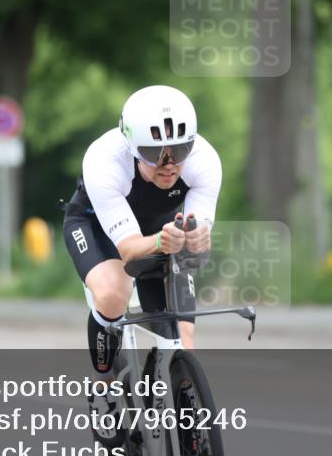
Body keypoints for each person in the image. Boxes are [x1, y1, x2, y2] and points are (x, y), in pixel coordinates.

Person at [61, 85, 221, 436]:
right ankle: (102, 387)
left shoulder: (205, 161)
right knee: (113, 295)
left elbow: (197, 252)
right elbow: (131, 250)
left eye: (178, 151)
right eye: (153, 153)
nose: (168, 164)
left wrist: (197, 239)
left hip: (159, 232)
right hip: (99, 229)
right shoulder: (105, 160)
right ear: (133, 147)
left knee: (184, 344)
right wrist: (165, 240)